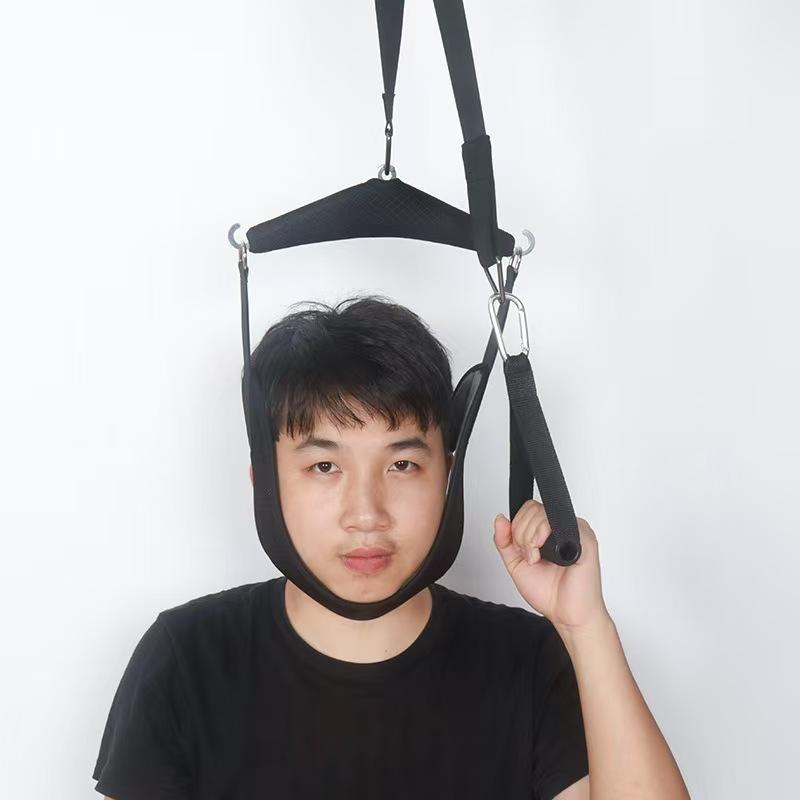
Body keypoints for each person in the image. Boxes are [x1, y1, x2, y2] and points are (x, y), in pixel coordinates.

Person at [92, 295, 689, 799]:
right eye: (324, 466)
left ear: (448, 476)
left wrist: (585, 627)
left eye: (402, 464)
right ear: (264, 483)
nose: (366, 514)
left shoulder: (529, 663)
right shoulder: (185, 661)